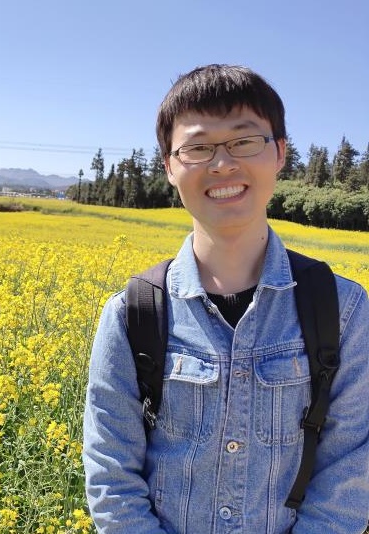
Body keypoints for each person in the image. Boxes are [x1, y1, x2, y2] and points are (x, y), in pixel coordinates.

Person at [82, 64, 369, 533]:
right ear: (169, 167)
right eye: (197, 148)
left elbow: (350, 475)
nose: (222, 164)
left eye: (244, 141)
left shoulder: (343, 310)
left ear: (280, 152)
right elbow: (112, 478)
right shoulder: (132, 315)